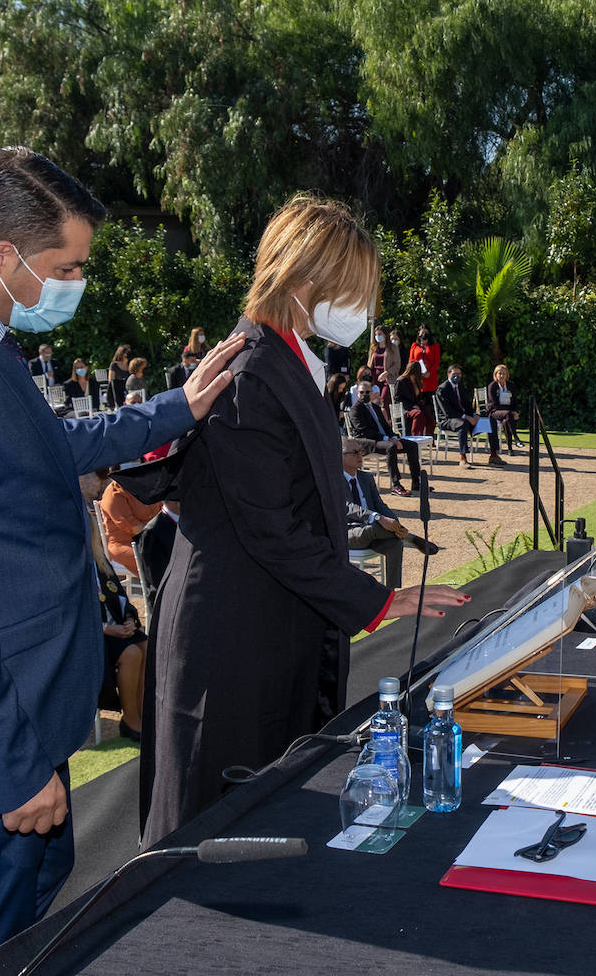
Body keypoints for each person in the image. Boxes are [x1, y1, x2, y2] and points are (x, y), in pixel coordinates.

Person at [0, 145, 242, 976]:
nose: (75, 284)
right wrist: (14, 770)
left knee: (32, 904)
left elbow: (41, 446)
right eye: (66, 266)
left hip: (16, 705)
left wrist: (171, 408)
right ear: (1, 257)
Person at [139, 194, 466, 848]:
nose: (364, 314)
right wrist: (382, 599)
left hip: (270, 627)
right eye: (355, 293)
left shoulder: (287, 361)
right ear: (306, 281)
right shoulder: (252, 371)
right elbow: (272, 529)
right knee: (209, 832)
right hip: (231, 644)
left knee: (263, 821)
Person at [80, 470, 147, 742]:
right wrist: (107, 630)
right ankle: (130, 721)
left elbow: (119, 597)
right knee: (131, 653)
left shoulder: (99, 562)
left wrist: (130, 619)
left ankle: (143, 713)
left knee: (145, 644)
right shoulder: (67, 571)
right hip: (91, 637)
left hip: (116, 629)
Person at [342, 438, 436, 588]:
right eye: (354, 452)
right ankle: (411, 538)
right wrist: (377, 517)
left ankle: (391, 592)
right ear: (340, 456)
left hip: (377, 532)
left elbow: (380, 505)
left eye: (361, 451)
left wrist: (394, 521)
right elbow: (348, 507)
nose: (360, 456)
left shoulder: (366, 477)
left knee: (395, 543)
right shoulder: (333, 481)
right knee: (375, 527)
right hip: (349, 533)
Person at [347, 378, 422, 495]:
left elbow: (387, 427)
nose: (364, 394)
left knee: (412, 445)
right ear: (357, 394)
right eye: (361, 392)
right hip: (366, 441)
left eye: (367, 392)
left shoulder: (376, 408)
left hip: (384, 439)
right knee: (390, 447)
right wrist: (387, 439)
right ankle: (396, 485)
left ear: (372, 393)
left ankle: (417, 483)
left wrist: (394, 437)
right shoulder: (355, 409)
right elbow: (364, 430)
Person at [437, 364, 503, 468]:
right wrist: (467, 417)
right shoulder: (442, 389)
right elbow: (448, 412)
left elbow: (467, 405)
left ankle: (494, 455)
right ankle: (463, 458)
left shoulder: (461, 386)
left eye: (459, 374)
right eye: (454, 374)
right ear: (448, 374)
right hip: (448, 420)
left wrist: (474, 415)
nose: (457, 376)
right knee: (463, 423)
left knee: (491, 421)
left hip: (466, 418)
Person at [486, 363, 521, 454]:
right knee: (508, 415)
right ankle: (516, 437)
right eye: (499, 373)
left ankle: (510, 449)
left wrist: (515, 412)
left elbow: (514, 401)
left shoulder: (511, 385)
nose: (501, 375)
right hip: (494, 411)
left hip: (508, 413)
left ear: (507, 375)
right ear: (495, 375)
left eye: (504, 374)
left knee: (506, 421)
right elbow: (494, 404)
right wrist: (511, 412)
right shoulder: (492, 386)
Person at [395, 360, 431, 436]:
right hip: (405, 408)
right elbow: (397, 399)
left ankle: (428, 438)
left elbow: (418, 398)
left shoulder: (416, 381)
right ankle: (414, 437)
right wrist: (412, 407)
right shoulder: (401, 381)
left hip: (416, 406)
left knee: (430, 418)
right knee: (419, 414)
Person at [368, 324, 400, 408]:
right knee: (375, 403)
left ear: (385, 335)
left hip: (387, 380)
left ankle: (387, 420)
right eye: (376, 334)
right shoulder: (373, 347)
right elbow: (369, 363)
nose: (377, 336)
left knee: (384, 401)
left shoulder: (393, 347)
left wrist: (386, 373)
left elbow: (397, 365)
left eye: (379, 334)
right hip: (375, 380)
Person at [408, 324, 441, 407]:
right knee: (419, 403)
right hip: (418, 378)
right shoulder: (414, 346)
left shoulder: (435, 346)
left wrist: (429, 372)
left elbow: (436, 362)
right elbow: (411, 360)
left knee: (431, 403)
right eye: (422, 332)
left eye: (426, 332)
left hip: (430, 378)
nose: (424, 335)